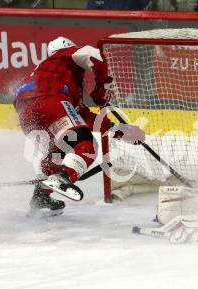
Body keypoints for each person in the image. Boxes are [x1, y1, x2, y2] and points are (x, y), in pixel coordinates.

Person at [14, 36, 145, 215]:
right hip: (48, 101)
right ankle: (64, 177)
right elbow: (95, 55)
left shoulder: (52, 75)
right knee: (86, 144)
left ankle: (41, 195)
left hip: (27, 115)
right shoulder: (65, 56)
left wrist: (119, 131)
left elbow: (80, 115)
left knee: (58, 151)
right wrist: (102, 88)